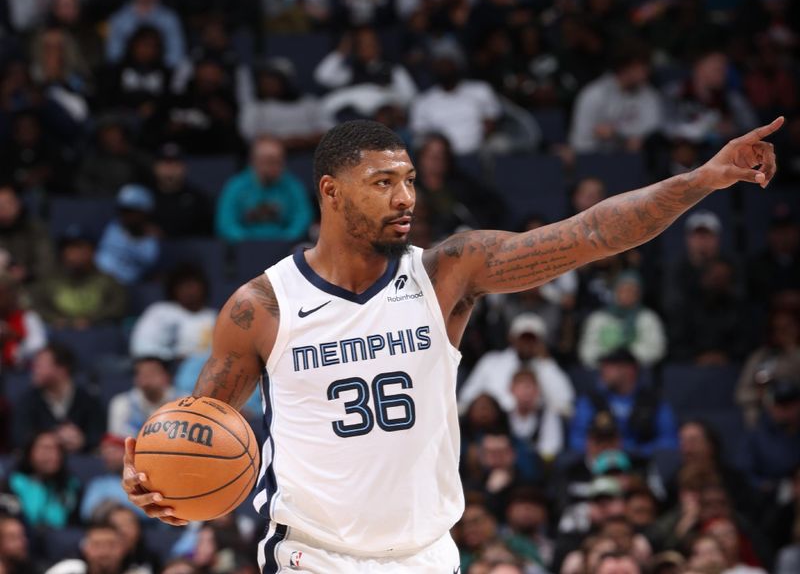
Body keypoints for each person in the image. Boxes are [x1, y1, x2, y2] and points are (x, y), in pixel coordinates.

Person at [121, 117, 782, 573]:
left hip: (429, 553)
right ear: (329, 191)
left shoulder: (446, 272)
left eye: (408, 178)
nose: (405, 196)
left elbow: (592, 234)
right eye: (383, 182)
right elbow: (199, 426)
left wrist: (701, 180)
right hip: (312, 553)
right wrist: (159, 479)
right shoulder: (261, 306)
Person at [569, 348, 678, 459]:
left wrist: (632, 451)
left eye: (610, 366)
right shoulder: (591, 400)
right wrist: (603, 450)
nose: (602, 370)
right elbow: (577, 439)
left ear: (630, 369)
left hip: (642, 465)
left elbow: (669, 440)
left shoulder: (654, 401)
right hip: (599, 464)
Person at [459, 313, 574, 416]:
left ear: (540, 342)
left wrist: (545, 362)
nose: (527, 344)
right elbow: (466, 397)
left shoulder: (546, 366)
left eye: (532, 339)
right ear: (512, 338)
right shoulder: (492, 361)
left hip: (534, 427)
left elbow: (564, 404)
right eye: (523, 338)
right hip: (497, 426)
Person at [568, 42, 662, 154]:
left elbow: (652, 128)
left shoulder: (649, 94)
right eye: (642, 65)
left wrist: (617, 135)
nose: (647, 70)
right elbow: (579, 142)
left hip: (633, 160)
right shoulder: (594, 94)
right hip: (596, 159)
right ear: (625, 67)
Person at [215, 136, 313, 243]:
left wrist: (286, 238)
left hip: (284, 247)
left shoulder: (292, 185)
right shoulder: (236, 186)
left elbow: (302, 217)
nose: (275, 166)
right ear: (254, 161)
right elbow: (226, 223)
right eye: (270, 161)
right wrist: (246, 241)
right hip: (244, 248)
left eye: (279, 161)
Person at [409, 43, 502, 155]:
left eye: (448, 63)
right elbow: (421, 134)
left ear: (457, 65)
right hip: (442, 158)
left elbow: (491, 119)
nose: (444, 68)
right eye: (440, 64)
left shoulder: (480, 89)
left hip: (479, 152)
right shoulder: (423, 101)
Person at [15, 344, 105, 452]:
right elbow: (20, 438)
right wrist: (55, 439)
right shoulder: (27, 401)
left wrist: (82, 441)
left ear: (62, 369)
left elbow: (99, 436)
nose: (34, 370)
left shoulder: (88, 400)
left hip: (83, 463)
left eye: (40, 365)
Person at [31, 228, 127, 329]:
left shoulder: (107, 280)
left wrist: (91, 319)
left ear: (92, 250)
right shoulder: (49, 279)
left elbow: (118, 306)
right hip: (58, 334)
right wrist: (55, 319)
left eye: (79, 247)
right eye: (68, 247)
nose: (72, 253)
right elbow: (36, 305)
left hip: (97, 334)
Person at [577, 270, 667, 368]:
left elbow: (656, 349)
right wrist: (610, 358)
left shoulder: (648, 318)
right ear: (615, 291)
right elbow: (586, 351)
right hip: (602, 372)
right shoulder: (598, 318)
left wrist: (627, 357)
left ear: (639, 293)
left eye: (631, 290)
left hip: (638, 372)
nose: (627, 294)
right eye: (623, 290)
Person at [129, 264, 217, 361]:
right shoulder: (160, 312)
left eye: (192, 285)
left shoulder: (215, 317)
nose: (188, 291)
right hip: (169, 367)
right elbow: (142, 347)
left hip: (211, 369)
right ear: (174, 289)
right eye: (183, 286)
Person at [105, 0, 185, 69]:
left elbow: (175, 53)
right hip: (126, 72)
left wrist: (164, 72)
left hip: (161, 73)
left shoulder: (170, 18)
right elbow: (113, 53)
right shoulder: (118, 18)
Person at [5, 430, 81, 529]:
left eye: (58, 449)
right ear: (30, 452)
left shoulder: (71, 485)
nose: (54, 454)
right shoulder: (13, 483)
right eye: (46, 448)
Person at [95, 185, 160, 285]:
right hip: (100, 282)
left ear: (145, 213)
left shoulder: (151, 242)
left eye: (132, 212)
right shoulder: (112, 228)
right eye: (123, 211)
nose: (126, 216)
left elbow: (147, 268)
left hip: (129, 288)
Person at [150, 144, 214, 238]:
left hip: (190, 249)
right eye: (165, 163)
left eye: (175, 163)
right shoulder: (145, 196)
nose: (170, 169)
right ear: (155, 168)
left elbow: (206, 234)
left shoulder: (198, 198)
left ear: (184, 167)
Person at [108, 356, 178, 438]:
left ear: (166, 376)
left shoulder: (182, 400)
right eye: (141, 373)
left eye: (152, 373)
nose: (147, 378)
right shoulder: (122, 403)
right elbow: (116, 441)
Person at [81, 434, 145, 522]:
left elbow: (150, 514)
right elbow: (87, 513)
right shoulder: (98, 484)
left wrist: (116, 504)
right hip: (106, 529)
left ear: (128, 453)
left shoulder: (142, 480)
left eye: (113, 452)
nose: (109, 457)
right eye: (105, 453)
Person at [0, 183, 55, 283]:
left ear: (19, 203)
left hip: (32, 285)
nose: (3, 209)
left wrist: (28, 273)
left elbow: (47, 265)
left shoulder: (36, 230)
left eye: (8, 203)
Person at [43, 524, 128, 574]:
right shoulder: (67, 570)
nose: (104, 552)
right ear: (85, 548)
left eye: (111, 545)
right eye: (96, 545)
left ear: (123, 548)